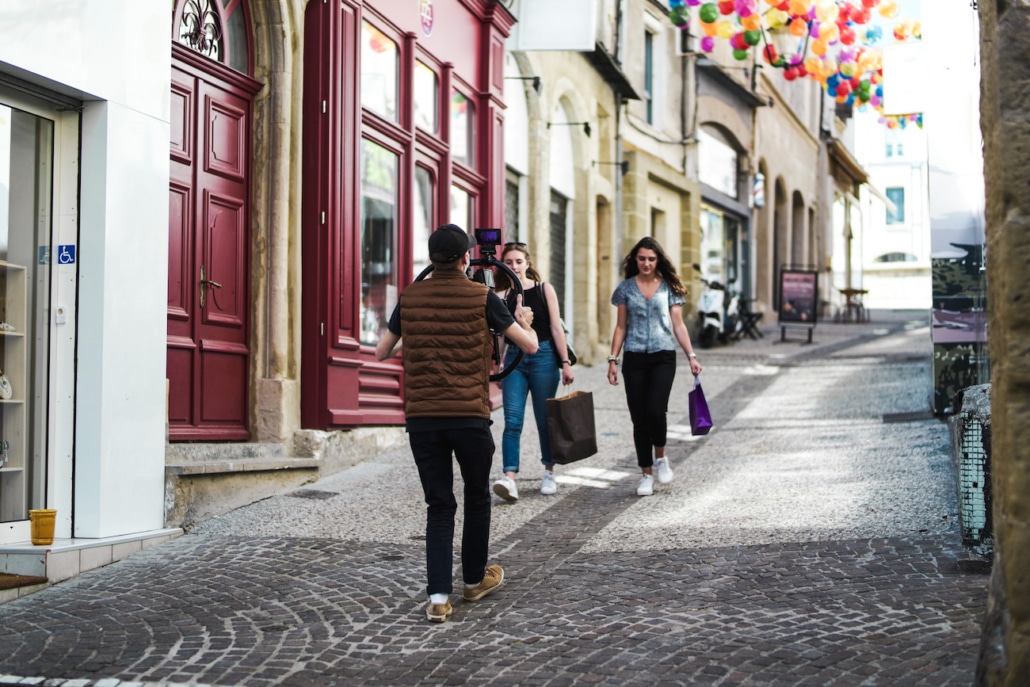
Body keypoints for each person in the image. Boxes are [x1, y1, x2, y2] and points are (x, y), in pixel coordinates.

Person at [376, 224, 539, 623]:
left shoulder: (410, 297)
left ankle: (437, 598)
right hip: (468, 415)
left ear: (431, 259)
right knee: (477, 496)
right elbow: (529, 345)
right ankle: (472, 579)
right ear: (467, 258)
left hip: (423, 418)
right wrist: (524, 319)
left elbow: (383, 351)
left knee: (438, 504)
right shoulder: (482, 295)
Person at [607, 236, 703, 497]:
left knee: (655, 410)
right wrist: (613, 360)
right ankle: (646, 474)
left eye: (651, 258)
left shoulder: (668, 287)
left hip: (663, 356)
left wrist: (691, 356)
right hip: (635, 357)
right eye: (642, 259)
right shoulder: (626, 288)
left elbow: (678, 325)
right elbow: (621, 327)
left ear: (658, 259)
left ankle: (661, 457)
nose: (646, 263)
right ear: (635, 260)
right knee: (639, 418)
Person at [491, 242, 575, 502]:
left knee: (544, 419)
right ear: (503, 265)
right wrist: (499, 364)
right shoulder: (500, 294)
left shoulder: (543, 289)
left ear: (528, 263)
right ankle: (509, 478)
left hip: (544, 357)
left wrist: (565, 362)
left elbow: (556, 327)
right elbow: (502, 336)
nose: (514, 266)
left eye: (519, 261)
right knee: (512, 420)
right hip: (515, 359)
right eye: (510, 262)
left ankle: (549, 471)